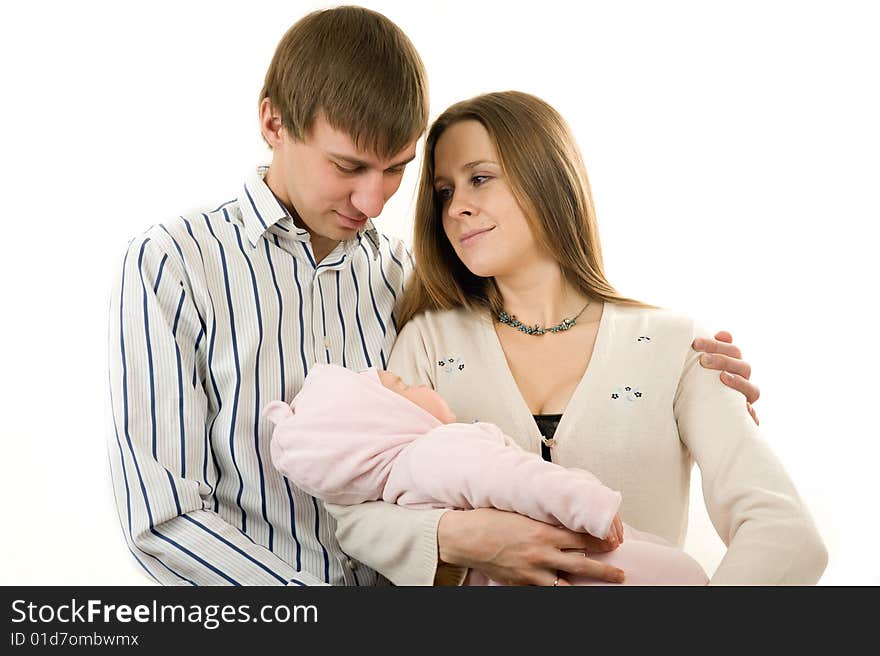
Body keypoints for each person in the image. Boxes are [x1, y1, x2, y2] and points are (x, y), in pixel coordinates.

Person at [107, 6, 760, 586]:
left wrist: (693, 373)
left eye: (396, 169)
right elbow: (163, 518)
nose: (373, 201)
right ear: (273, 122)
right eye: (348, 167)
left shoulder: (409, 281)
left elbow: (544, 326)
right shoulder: (174, 265)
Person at [331, 91, 827, 586]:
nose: (457, 206)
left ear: (545, 176)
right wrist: (457, 536)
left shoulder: (676, 346)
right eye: (444, 192)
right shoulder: (427, 343)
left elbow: (787, 533)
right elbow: (360, 516)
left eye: (479, 178)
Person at [264, 363, 710, 586]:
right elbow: (513, 476)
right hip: (577, 554)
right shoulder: (438, 449)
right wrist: (587, 502)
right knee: (678, 574)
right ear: (388, 417)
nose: (422, 386)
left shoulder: (397, 485)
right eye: (402, 388)